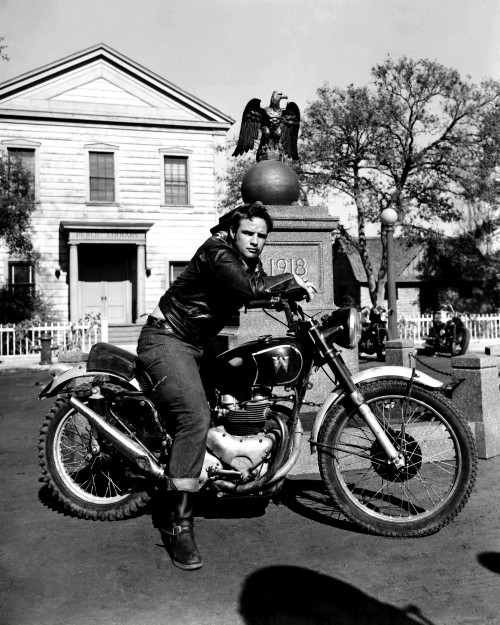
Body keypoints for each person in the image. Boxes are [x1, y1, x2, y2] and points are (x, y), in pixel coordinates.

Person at [136, 201, 316, 571]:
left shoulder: (246, 261)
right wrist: (287, 282)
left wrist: (290, 297)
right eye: (248, 233)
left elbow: (258, 291)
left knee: (227, 399)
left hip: (196, 343)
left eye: (261, 236)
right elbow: (248, 287)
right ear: (233, 231)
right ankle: (178, 524)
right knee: (195, 418)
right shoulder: (217, 252)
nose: (255, 241)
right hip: (167, 339)